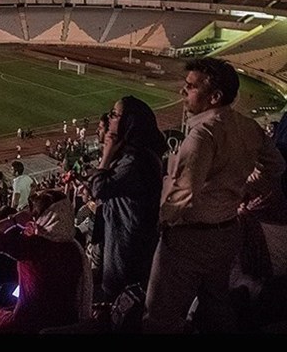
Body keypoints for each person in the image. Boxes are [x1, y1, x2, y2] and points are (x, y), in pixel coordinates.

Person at [143, 58, 286, 333]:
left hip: (190, 237)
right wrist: (243, 189)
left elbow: (183, 193)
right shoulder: (247, 126)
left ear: (215, 97)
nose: (183, 92)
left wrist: (162, 222)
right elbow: (276, 166)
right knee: (216, 304)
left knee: (160, 314)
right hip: (227, 231)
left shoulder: (202, 135)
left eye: (191, 86)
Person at [0, 188, 92, 334]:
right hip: (65, 321)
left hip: (29, 324)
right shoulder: (75, 248)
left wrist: (15, 220)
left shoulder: (33, 246)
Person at [88, 96, 166, 305]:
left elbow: (98, 188)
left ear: (129, 121)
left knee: (121, 298)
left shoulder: (133, 160)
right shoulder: (139, 154)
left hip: (127, 241)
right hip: (127, 235)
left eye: (114, 114)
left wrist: (106, 154)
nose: (110, 118)